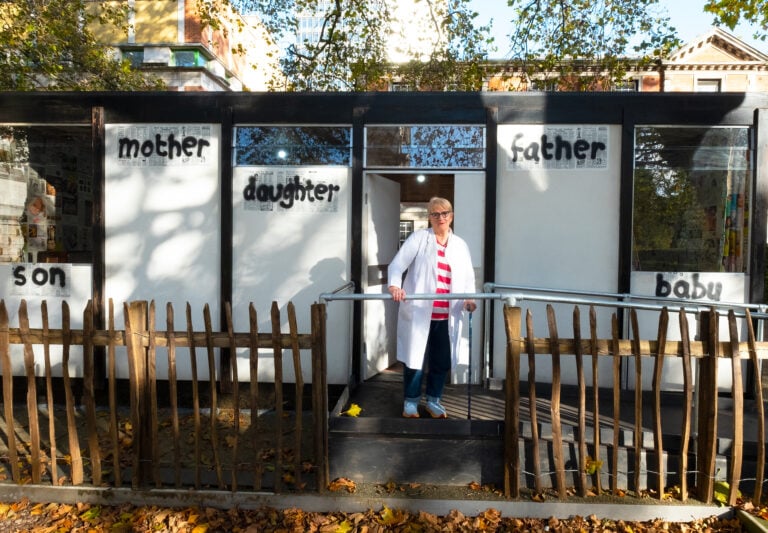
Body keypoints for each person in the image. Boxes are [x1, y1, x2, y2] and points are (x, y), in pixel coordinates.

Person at [387, 197, 477, 419]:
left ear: (451, 216)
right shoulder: (419, 239)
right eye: (435, 214)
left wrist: (469, 299)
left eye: (444, 213)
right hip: (419, 312)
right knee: (414, 358)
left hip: (447, 315)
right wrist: (394, 286)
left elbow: (467, 277)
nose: (440, 218)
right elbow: (397, 265)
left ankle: (434, 401)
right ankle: (411, 402)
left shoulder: (460, 245)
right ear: (429, 217)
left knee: (441, 360)